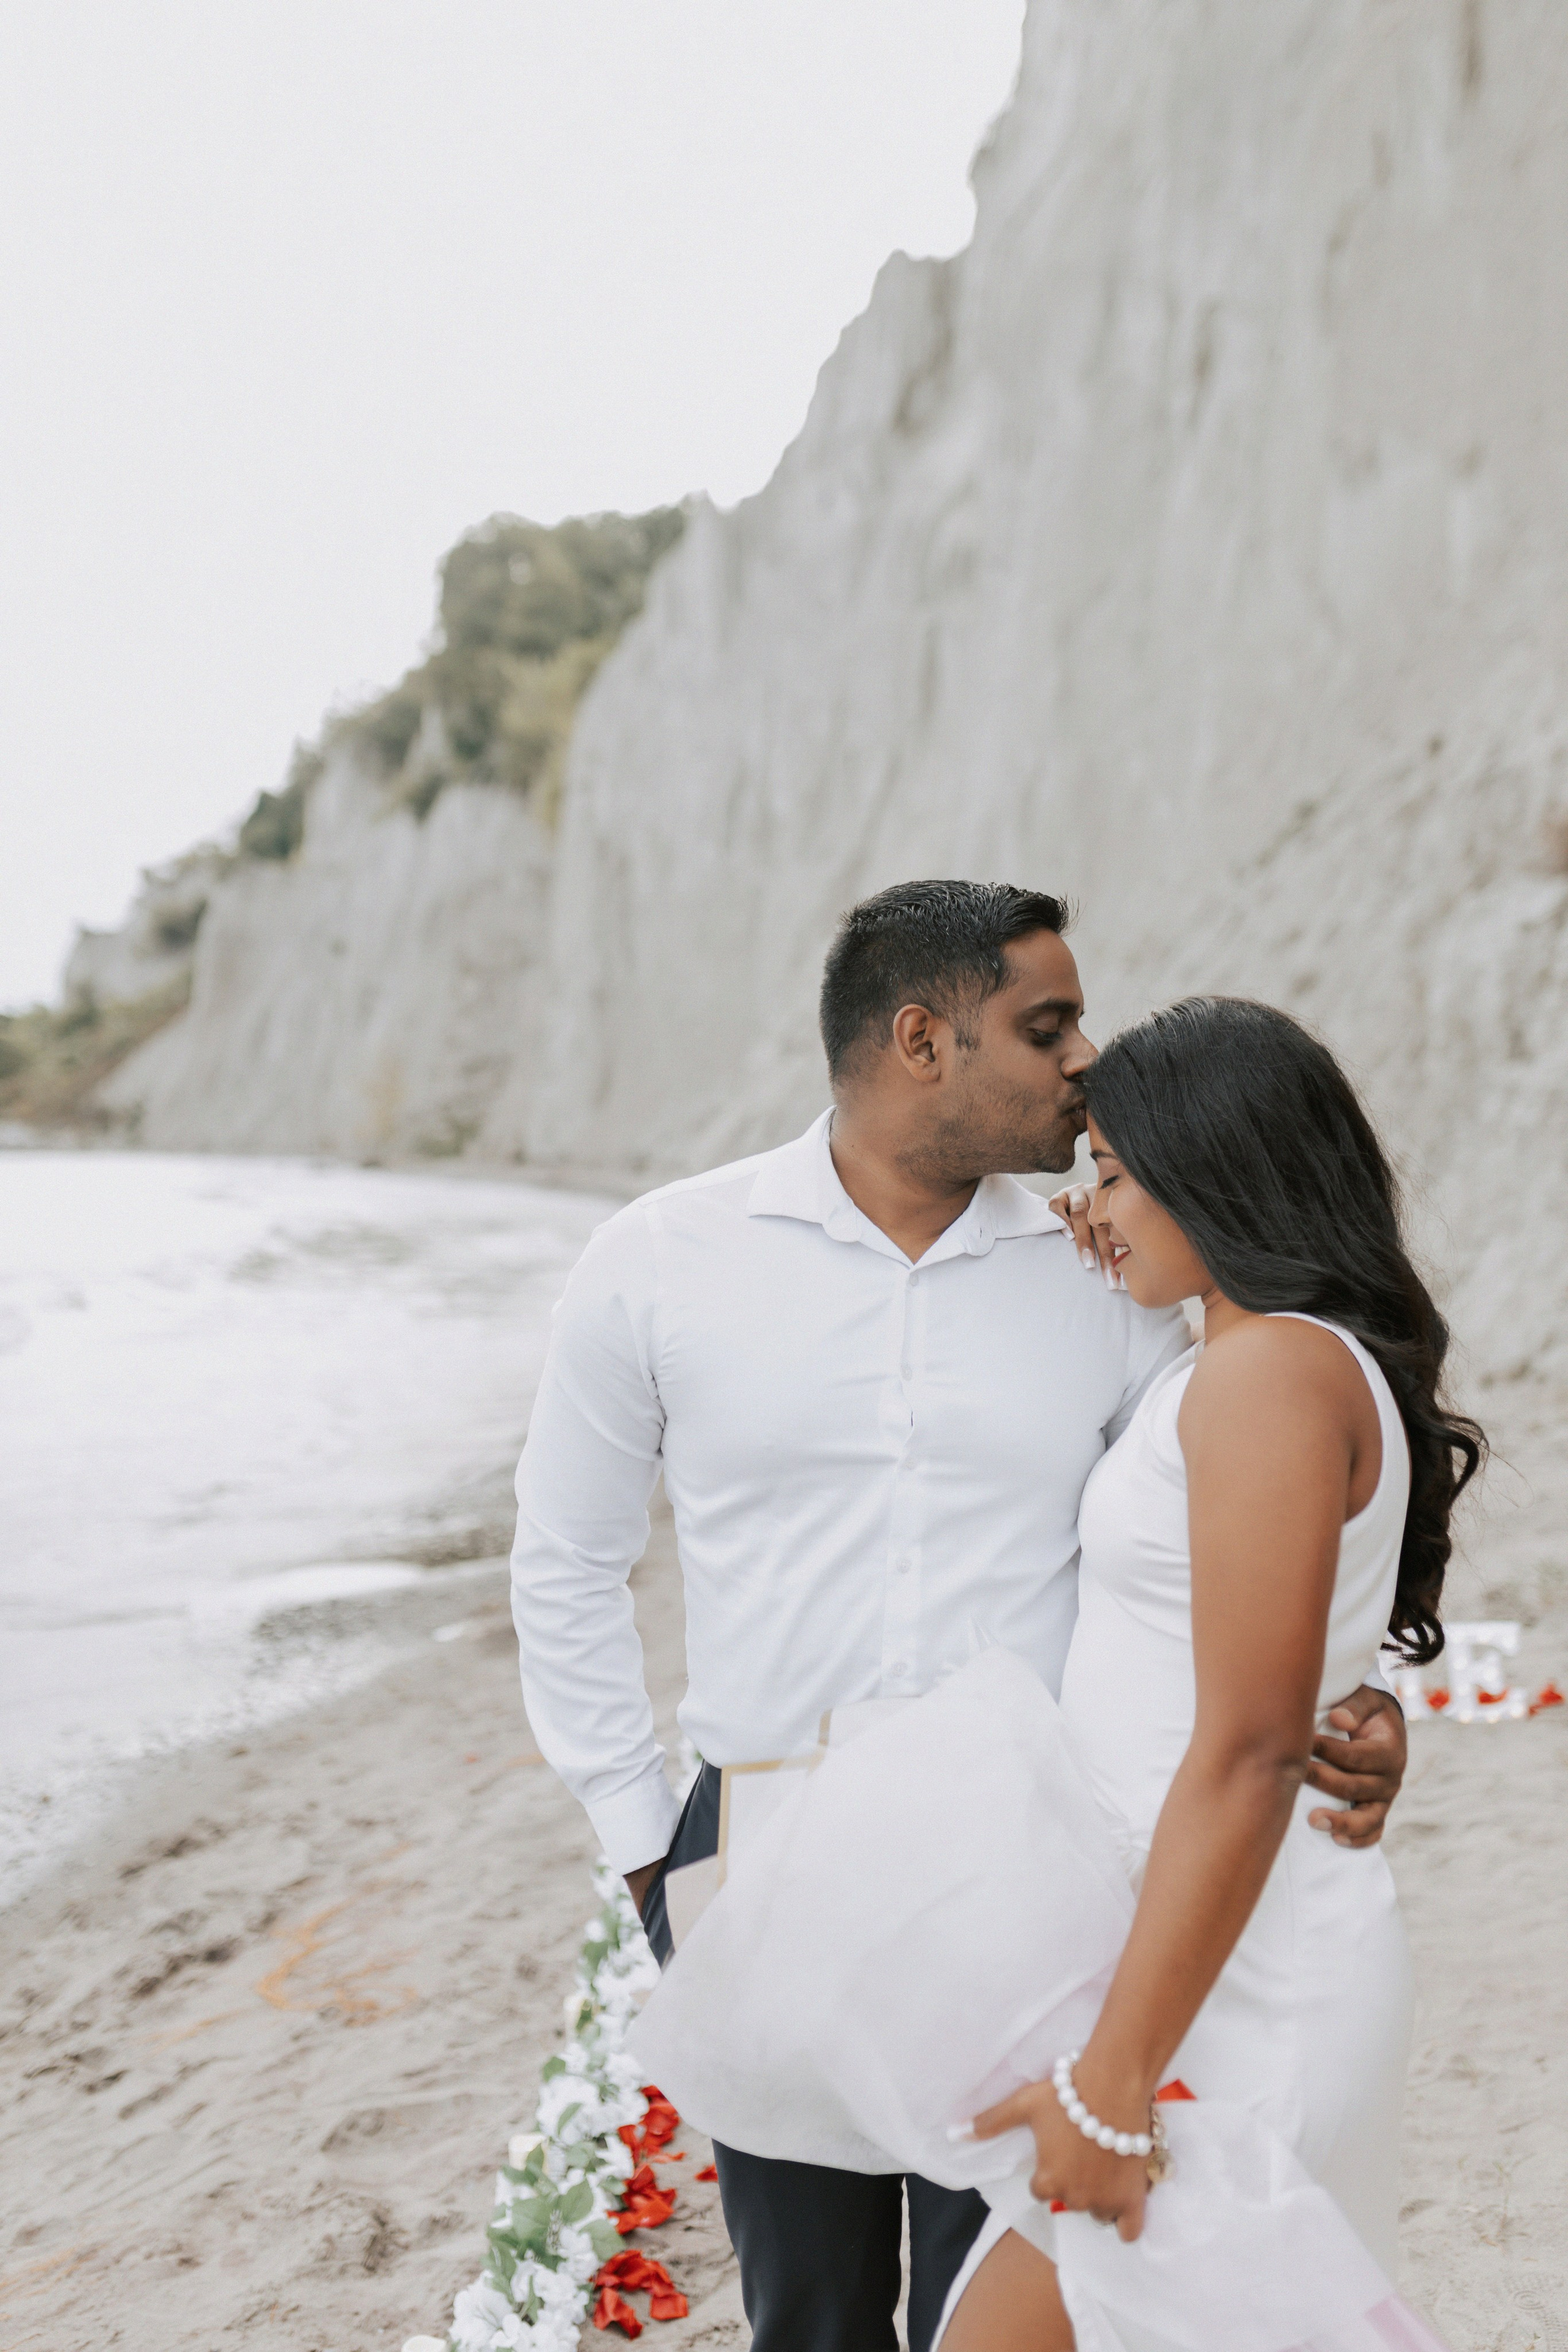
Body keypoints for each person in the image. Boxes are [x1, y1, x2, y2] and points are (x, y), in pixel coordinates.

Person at [511, 883, 1409, 2352]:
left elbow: (1234, 1544)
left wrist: (1355, 1704)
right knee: (809, 2311)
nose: (1080, 1061)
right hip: (770, 1856)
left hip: (1041, 1878)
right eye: (1045, 1025)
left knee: (1004, 2286)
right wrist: (641, 1839)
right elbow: (564, 1562)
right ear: (921, 1039)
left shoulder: (1108, 1273)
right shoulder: (663, 1259)